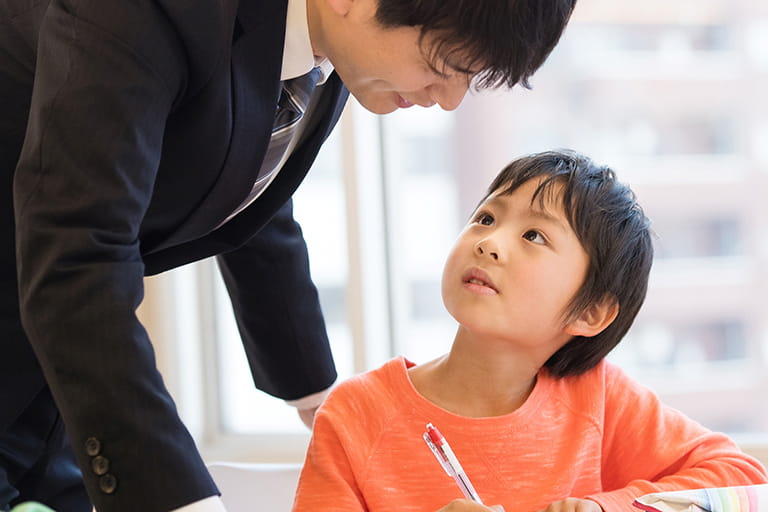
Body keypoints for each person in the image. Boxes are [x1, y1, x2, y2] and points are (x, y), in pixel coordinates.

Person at [0, 0, 579, 510]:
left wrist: (318, 396)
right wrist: (179, 497)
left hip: (54, 368)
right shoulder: (148, 10)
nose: (448, 101)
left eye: (468, 79)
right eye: (441, 66)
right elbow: (79, 256)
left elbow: (244, 184)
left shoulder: (334, 49)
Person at [291, 150, 768, 512]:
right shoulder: (355, 415)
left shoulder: (599, 398)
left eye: (534, 236)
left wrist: (604, 506)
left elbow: (743, 480)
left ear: (592, 313)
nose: (489, 243)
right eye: (485, 218)